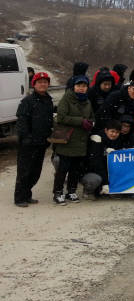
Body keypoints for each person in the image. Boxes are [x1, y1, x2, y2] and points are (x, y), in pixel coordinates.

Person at [53, 75, 95, 205]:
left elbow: (92, 117)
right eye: (79, 86)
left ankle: (71, 191)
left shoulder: (87, 101)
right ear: (74, 87)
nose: (81, 88)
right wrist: (81, 121)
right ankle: (57, 193)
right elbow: (61, 117)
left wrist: (91, 123)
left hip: (81, 141)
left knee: (76, 169)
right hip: (68, 140)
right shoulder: (67, 98)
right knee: (63, 168)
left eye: (84, 86)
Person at [14, 72, 54, 207]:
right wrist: (26, 138)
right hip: (28, 143)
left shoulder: (48, 100)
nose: (43, 84)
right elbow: (22, 121)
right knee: (24, 171)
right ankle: (19, 198)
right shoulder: (27, 101)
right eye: (40, 82)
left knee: (35, 171)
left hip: (42, 142)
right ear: (34, 84)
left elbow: (49, 121)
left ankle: (27, 194)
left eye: (45, 82)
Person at [82, 119, 126, 199]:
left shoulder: (119, 141)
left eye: (117, 132)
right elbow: (96, 163)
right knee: (95, 180)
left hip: (108, 171)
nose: (114, 134)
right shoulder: (97, 140)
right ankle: (88, 191)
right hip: (93, 171)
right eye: (112, 131)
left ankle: (111, 190)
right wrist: (105, 183)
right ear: (106, 130)